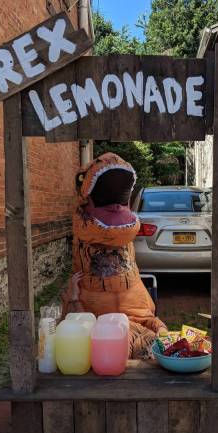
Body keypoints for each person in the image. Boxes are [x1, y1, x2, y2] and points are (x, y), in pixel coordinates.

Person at [63, 153, 168, 359]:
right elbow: (76, 323)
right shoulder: (84, 233)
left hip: (134, 326)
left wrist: (160, 329)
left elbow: (147, 318)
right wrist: (74, 298)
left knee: (146, 345)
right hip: (97, 330)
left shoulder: (125, 239)